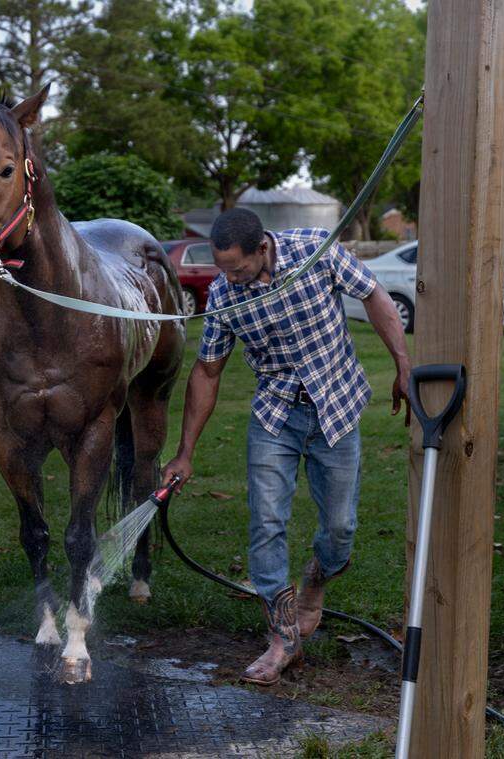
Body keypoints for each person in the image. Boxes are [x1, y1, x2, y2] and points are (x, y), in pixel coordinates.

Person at [161, 208, 412, 685]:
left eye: (236, 268)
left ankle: (314, 586)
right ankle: (282, 641)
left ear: (262, 249)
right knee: (267, 522)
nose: (228, 278)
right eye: (221, 269)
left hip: (335, 405)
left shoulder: (316, 248)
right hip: (275, 415)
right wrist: (185, 451)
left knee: (340, 527)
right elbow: (207, 371)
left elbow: (374, 295)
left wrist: (402, 363)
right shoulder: (224, 295)